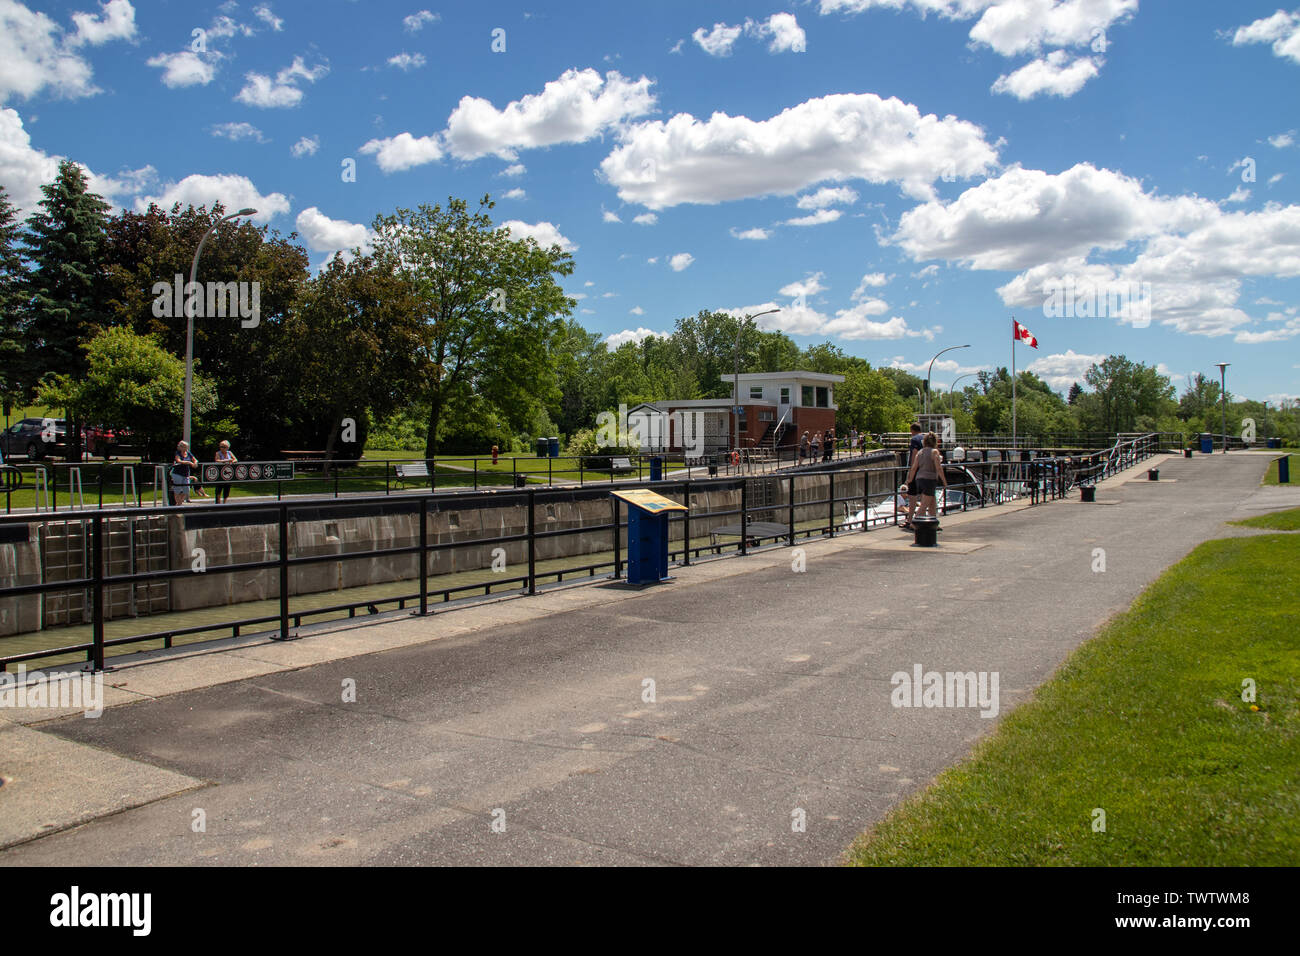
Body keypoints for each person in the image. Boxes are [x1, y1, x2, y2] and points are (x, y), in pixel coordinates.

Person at [905, 432, 948, 527]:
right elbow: (938, 468)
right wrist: (944, 481)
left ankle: (933, 524)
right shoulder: (934, 452)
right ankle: (914, 522)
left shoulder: (920, 452)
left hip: (919, 479)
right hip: (930, 479)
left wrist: (910, 479)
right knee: (924, 505)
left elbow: (914, 467)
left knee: (932, 503)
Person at [903, 423, 924, 528]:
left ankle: (910, 520)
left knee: (912, 497)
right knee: (926, 497)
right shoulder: (926, 438)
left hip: (916, 471)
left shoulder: (914, 439)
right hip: (925, 471)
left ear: (912, 430)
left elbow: (915, 454)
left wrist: (911, 470)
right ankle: (924, 518)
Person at [171, 440, 199, 505]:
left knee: (186, 489)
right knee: (177, 489)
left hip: (186, 473)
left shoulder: (188, 453)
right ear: (180, 447)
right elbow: (178, 460)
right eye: (184, 447)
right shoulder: (178, 453)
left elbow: (195, 459)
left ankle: (179, 503)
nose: (186, 449)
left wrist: (195, 463)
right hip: (177, 473)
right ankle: (178, 504)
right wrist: (189, 462)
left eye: (186, 447)